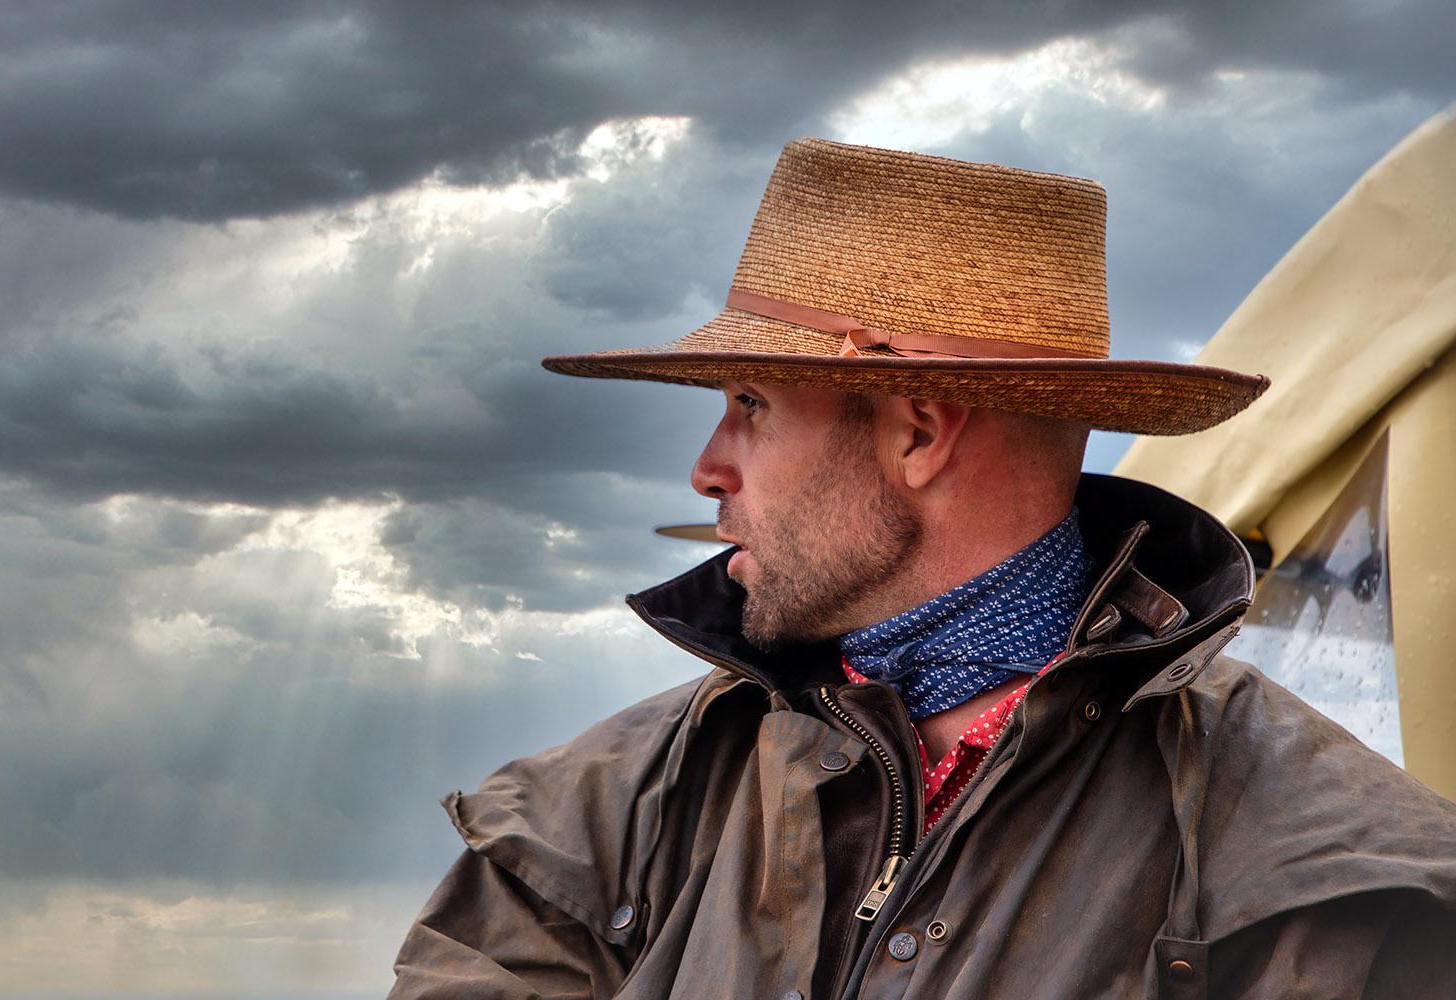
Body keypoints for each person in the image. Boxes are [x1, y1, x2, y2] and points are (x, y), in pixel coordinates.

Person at [388, 139, 1456, 998]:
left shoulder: (1332, 864)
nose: (707, 468)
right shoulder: (605, 807)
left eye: (750, 406)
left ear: (918, 430)